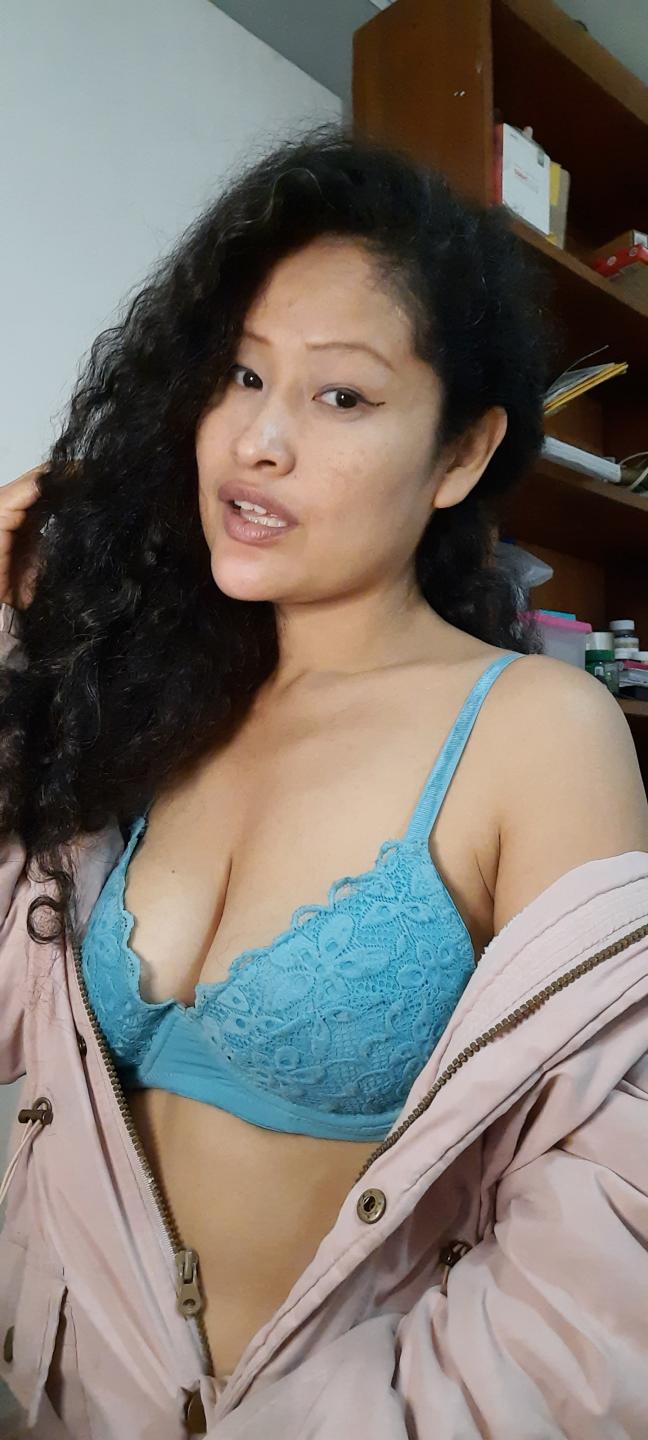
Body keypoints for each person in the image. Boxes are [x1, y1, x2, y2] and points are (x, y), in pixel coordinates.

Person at [0, 121, 647, 1439]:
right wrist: (21, 644)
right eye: (241, 375)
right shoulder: (150, 701)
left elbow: (609, 1234)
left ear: (460, 455)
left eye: (341, 397)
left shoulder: (536, 729)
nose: (257, 440)